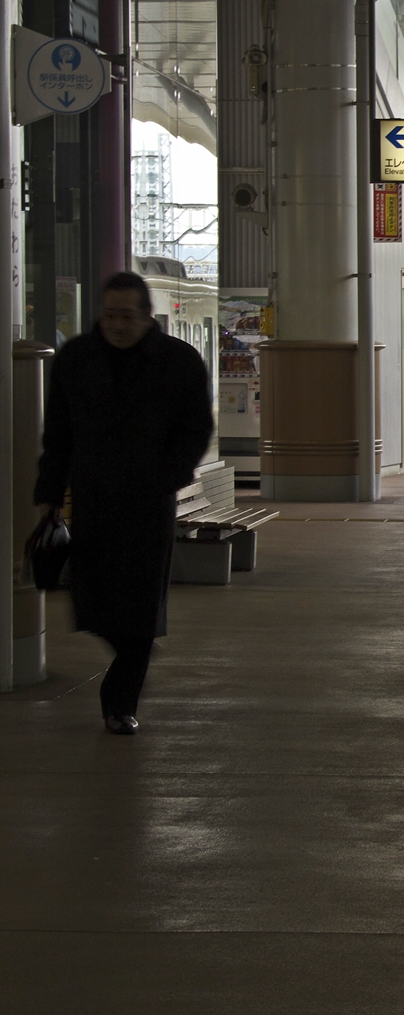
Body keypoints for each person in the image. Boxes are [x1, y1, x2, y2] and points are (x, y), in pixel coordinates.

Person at [33, 272, 214, 735]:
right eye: (109, 315)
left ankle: (119, 705)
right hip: (92, 498)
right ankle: (133, 651)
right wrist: (51, 494)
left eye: (126, 316)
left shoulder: (178, 362)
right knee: (89, 599)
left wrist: (169, 476)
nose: (116, 325)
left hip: (149, 501)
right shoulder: (77, 359)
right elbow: (58, 434)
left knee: (139, 603)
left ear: (146, 317)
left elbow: (196, 429)